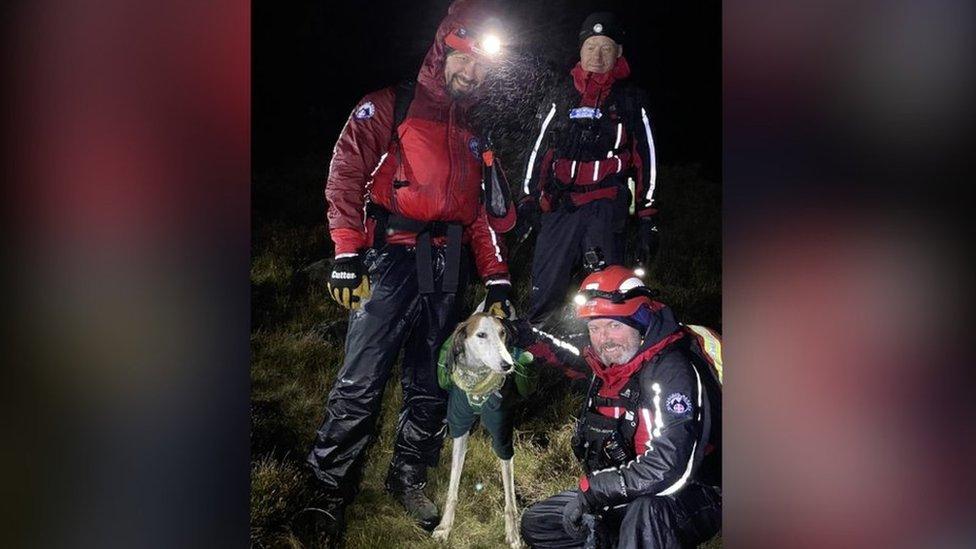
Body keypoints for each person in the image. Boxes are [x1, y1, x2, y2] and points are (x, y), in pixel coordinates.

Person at [302, 0, 514, 542]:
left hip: (449, 270)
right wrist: (347, 254)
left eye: (481, 66)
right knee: (362, 379)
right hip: (390, 258)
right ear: (442, 52)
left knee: (431, 380)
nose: (470, 72)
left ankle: (408, 477)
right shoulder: (391, 105)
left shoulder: (473, 134)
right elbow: (344, 173)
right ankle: (326, 493)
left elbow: (481, 216)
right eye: (463, 58)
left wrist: (496, 277)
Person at [520, 265, 722, 548]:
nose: (605, 339)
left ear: (639, 323)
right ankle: (616, 537)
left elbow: (671, 470)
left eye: (614, 325)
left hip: (693, 491)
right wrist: (528, 337)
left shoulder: (671, 371)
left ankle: (632, 534)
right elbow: (567, 356)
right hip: (627, 488)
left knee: (646, 514)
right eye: (595, 328)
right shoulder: (606, 367)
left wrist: (596, 491)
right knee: (539, 521)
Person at [516, 12, 660, 331]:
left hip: (606, 206)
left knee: (606, 288)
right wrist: (527, 199)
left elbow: (646, 155)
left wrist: (648, 216)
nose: (598, 55)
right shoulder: (562, 93)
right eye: (591, 46)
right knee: (546, 284)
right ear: (580, 50)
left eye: (606, 47)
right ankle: (541, 353)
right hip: (561, 205)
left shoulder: (631, 99)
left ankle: (601, 359)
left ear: (618, 53)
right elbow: (537, 148)